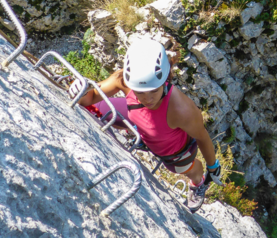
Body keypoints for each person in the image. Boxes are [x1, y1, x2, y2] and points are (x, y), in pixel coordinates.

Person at [69, 35, 222, 212]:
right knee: (100, 107)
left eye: (153, 91)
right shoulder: (125, 79)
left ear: (164, 80)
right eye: (140, 92)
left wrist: (213, 167)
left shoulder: (182, 110)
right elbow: (90, 98)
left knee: (187, 169)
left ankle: (198, 182)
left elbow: (202, 137)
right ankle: (139, 135)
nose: (148, 98)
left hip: (175, 152)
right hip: (140, 123)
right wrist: (80, 87)